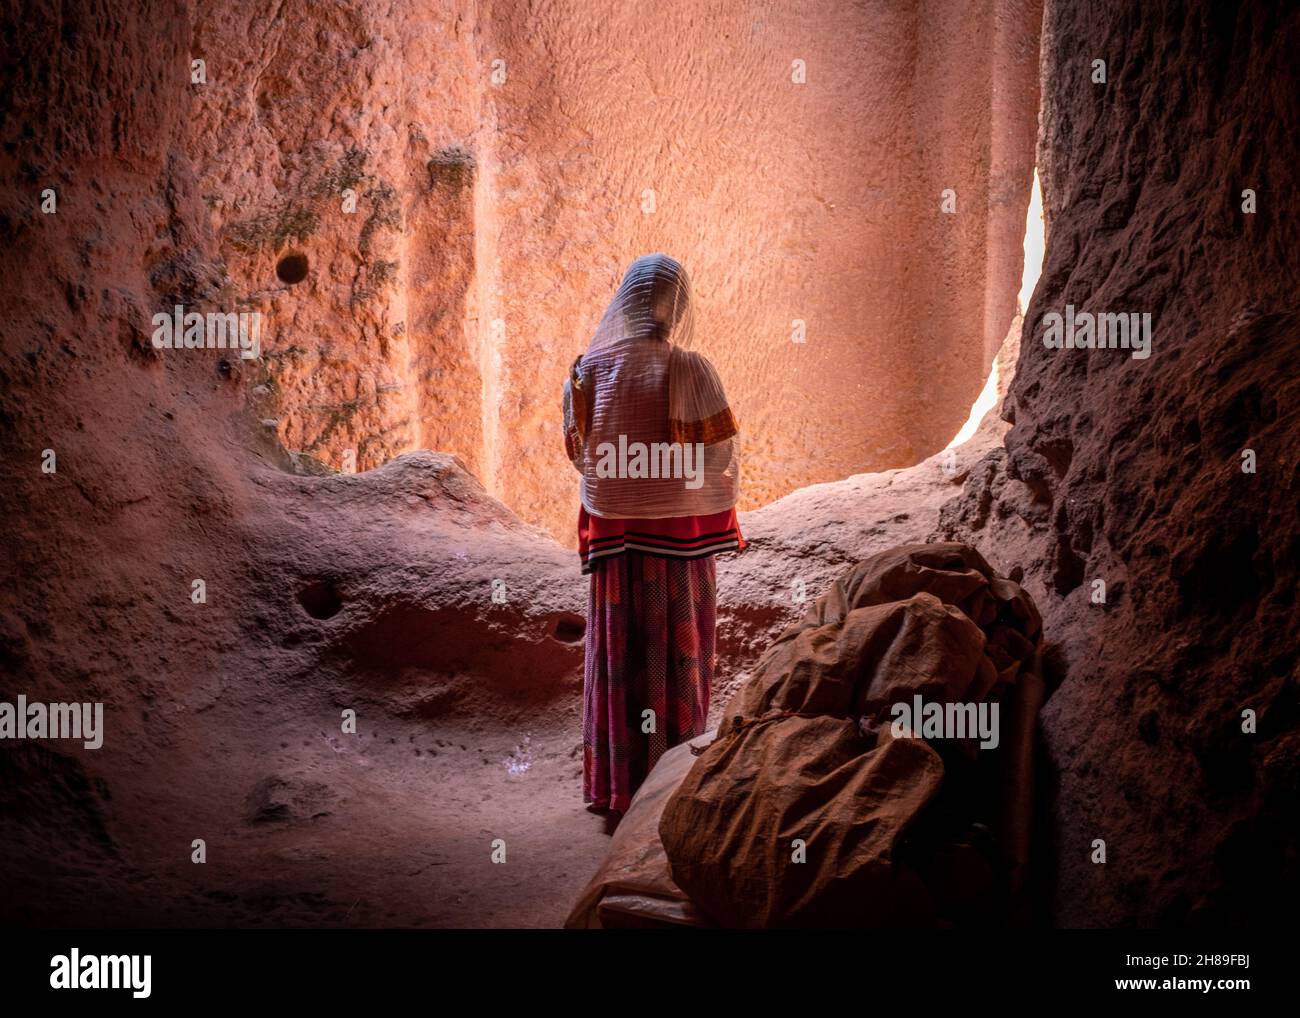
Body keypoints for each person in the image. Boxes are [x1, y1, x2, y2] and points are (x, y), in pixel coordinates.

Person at [562, 253, 745, 814]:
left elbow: (579, 454)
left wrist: (630, 485)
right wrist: (670, 485)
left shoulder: (588, 371)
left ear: (627, 299)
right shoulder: (693, 369)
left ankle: (616, 789)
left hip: (618, 545)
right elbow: (721, 462)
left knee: (618, 657)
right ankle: (669, 793)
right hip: (681, 549)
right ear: (678, 305)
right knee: (679, 656)